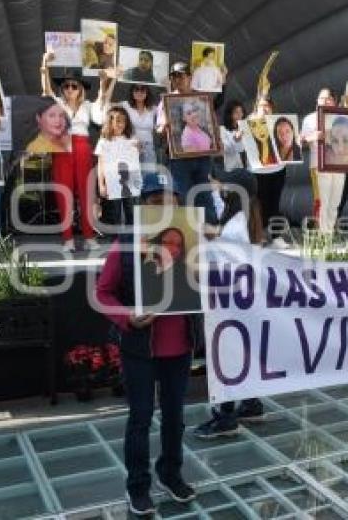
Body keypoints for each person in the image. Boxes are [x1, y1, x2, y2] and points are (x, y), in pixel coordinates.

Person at [95, 176, 197, 515]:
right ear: (144, 206)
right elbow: (102, 293)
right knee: (140, 418)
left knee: (175, 416)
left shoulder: (192, 244)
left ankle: (171, 473)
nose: (165, 208)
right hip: (140, 347)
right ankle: (138, 486)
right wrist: (127, 318)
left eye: (171, 201)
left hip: (179, 347)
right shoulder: (125, 244)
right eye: (156, 201)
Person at [194, 168, 267, 438]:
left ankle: (225, 416)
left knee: (226, 355)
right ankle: (251, 404)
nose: (219, 189)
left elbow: (221, 248)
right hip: (243, 298)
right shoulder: (246, 217)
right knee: (242, 352)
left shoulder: (236, 223)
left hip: (230, 300)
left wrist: (200, 235)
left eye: (225, 186)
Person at [40, 50, 106, 252]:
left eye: (74, 86)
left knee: (86, 193)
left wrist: (103, 84)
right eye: (66, 85)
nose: (69, 89)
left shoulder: (88, 105)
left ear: (80, 89)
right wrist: (44, 66)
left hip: (82, 147)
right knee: (64, 193)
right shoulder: (58, 103)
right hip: (61, 148)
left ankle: (88, 236)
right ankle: (67, 238)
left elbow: (100, 118)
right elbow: (46, 92)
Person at [156, 62, 217, 224]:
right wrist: (164, 126)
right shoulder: (165, 102)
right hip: (179, 160)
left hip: (202, 158)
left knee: (204, 194)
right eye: (174, 77)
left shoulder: (202, 98)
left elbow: (212, 124)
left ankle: (210, 231)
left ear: (189, 77)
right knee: (183, 196)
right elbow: (159, 130)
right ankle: (187, 234)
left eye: (180, 75)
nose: (177, 79)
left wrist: (217, 141)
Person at [300, 87, 343, 231]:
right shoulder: (310, 118)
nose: (324, 101)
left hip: (339, 165)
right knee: (322, 201)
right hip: (318, 164)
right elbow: (301, 141)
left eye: (328, 98)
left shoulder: (342, 118)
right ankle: (322, 236)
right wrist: (314, 137)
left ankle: (329, 233)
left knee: (335, 201)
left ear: (334, 102)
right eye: (321, 98)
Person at [248, 100, 286, 238]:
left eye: (268, 106)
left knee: (275, 203)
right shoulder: (249, 123)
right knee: (259, 203)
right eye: (262, 106)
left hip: (278, 170)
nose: (265, 109)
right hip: (258, 171)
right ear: (256, 107)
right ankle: (259, 234)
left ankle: (276, 236)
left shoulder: (280, 122)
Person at [95, 107, 140, 227]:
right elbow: (101, 164)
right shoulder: (104, 141)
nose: (121, 124)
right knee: (115, 213)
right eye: (118, 121)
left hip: (129, 182)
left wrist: (138, 149)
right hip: (112, 183)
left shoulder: (131, 140)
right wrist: (101, 184)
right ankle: (117, 240)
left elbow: (135, 162)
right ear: (110, 122)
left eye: (124, 121)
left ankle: (131, 238)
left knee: (131, 211)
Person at [219, 100, 246, 171]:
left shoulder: (244, 128)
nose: (240, 115)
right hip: (229, 169)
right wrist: (236, 140)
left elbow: (242, 149)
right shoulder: (222, 129)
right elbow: (225, 149)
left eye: (241, 112)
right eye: (236, 112)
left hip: (242, 167)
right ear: (229, 114)